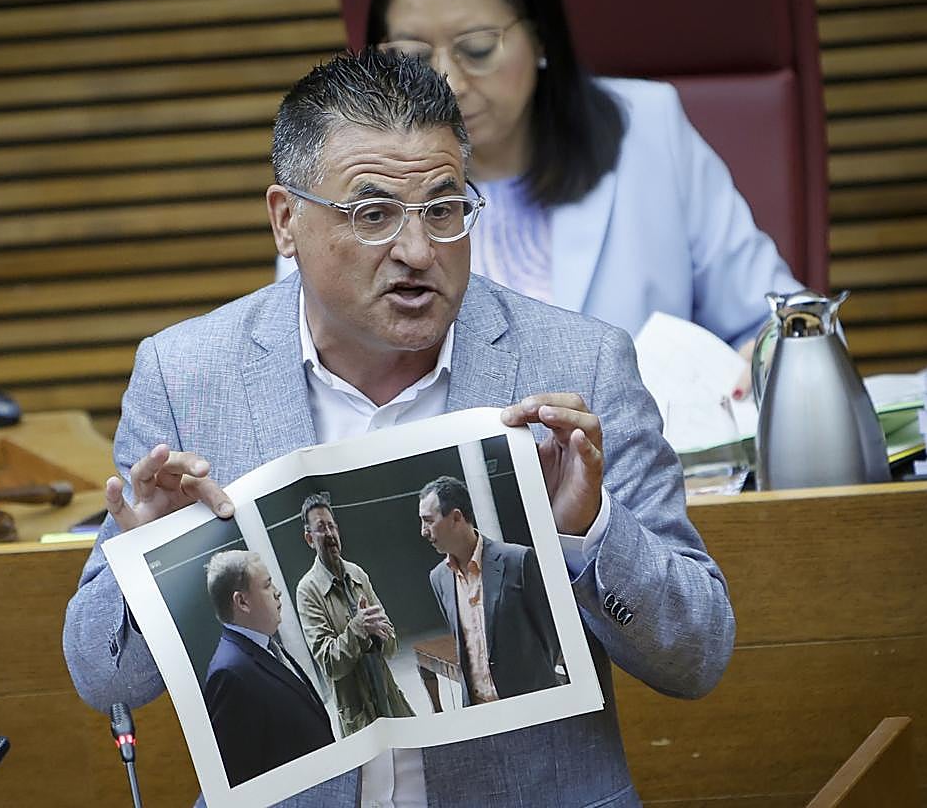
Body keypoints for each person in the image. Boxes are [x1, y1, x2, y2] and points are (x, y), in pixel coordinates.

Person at [63, 49, 734, 807]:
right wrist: (153, 559)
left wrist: (587, 531)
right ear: (287, 221)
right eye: (374, 213)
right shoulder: (185, 375)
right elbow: (104, 677)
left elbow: (699, 655)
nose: (418, 252)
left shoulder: (581, 362)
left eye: (444, 210)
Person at [278, 0, 802, 386]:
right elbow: (305, 342)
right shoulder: (341, 175)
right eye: (413, 57)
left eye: (478, 49)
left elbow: (782, 320)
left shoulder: (650, 129)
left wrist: (748, 375)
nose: (449, 81)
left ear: (542, 38)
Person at [418, 475, 565, 707]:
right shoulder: (439, 578)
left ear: (456, 517)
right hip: (480, 710)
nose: (423, 531)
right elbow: (462, 642)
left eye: (428, 521)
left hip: (531, 704)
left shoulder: (517, 560)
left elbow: (550, 635)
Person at [201, 550, 334, 787]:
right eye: (267, 585)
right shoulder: (229, 673)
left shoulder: (266, 645)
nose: (277, 592)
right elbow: (243, 776)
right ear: (242, 601)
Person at [295, 492, 415, 735]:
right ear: (309, 538)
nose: (329, 534)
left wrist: (380, 635)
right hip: (358, 715)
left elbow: (391, 644)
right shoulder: (307, 590)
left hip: (389, 698)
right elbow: (329, 663)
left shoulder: (358, 574)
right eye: (321, 528)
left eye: (332, 526)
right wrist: (359, 628)